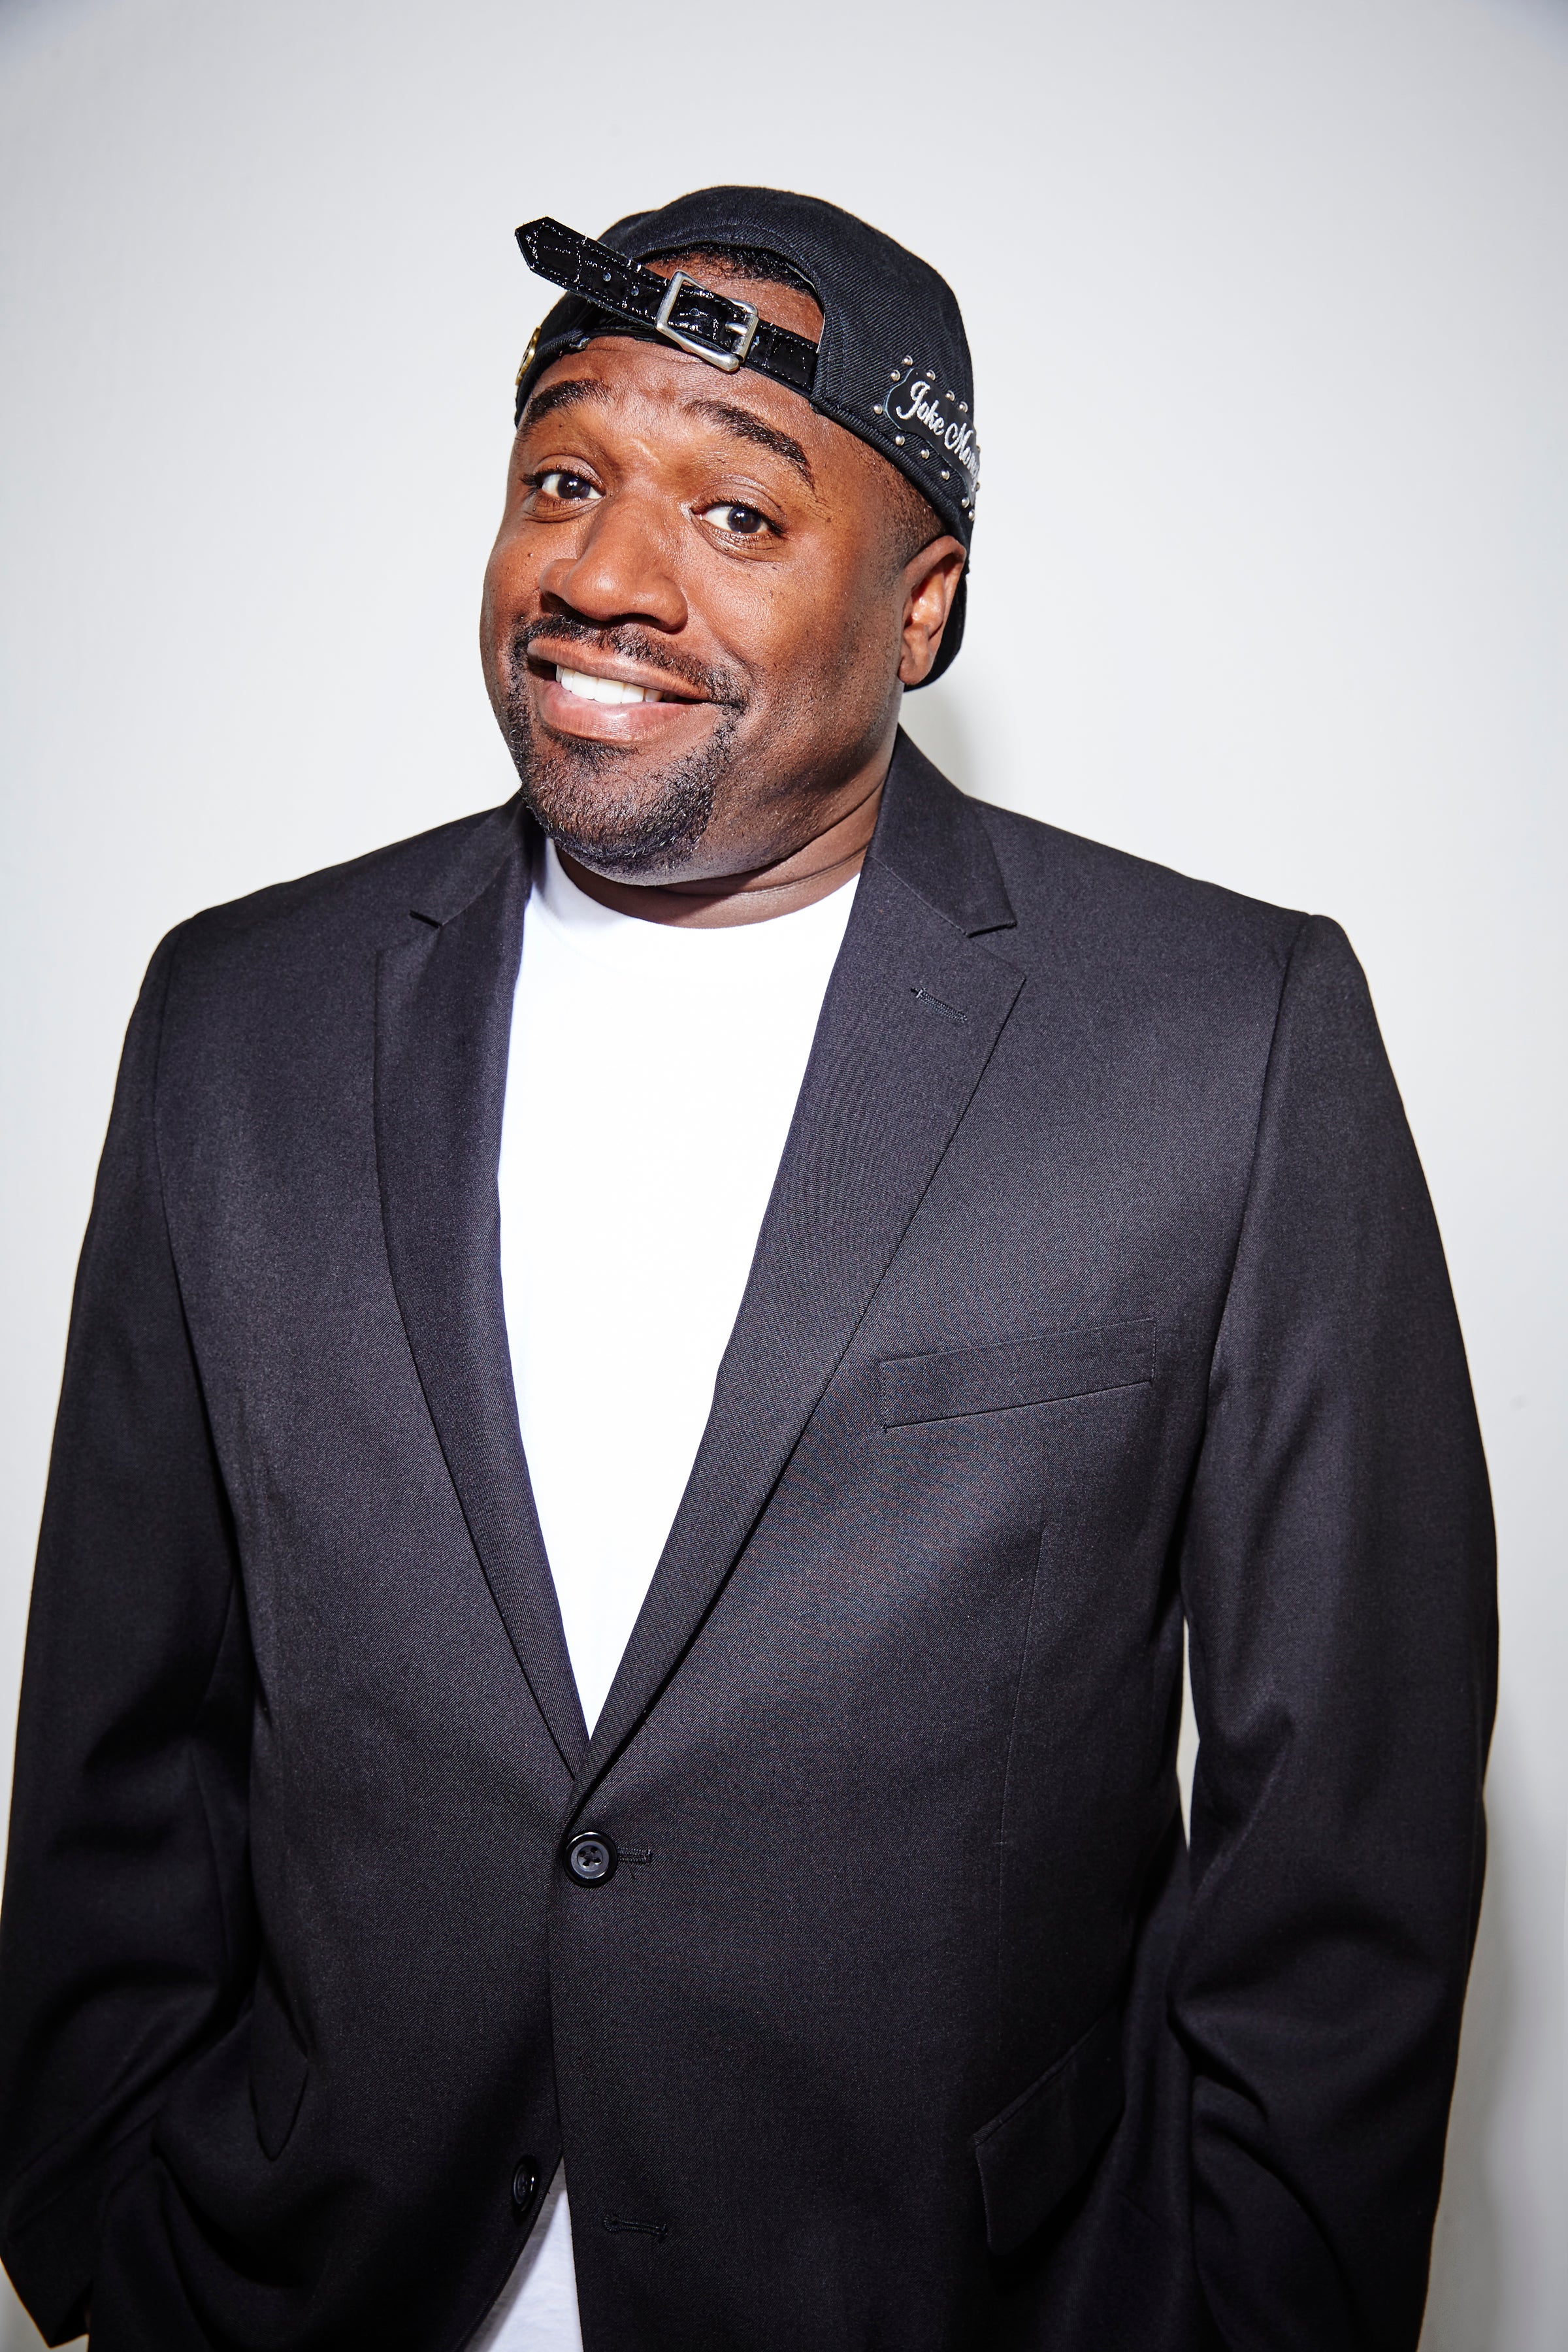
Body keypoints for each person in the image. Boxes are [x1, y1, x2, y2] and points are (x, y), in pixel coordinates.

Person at [0, 186, 1495, 2352]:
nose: (605, 573)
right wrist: (98, 2226)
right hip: (303, 2280)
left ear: (923, 604)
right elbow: (123, 1715)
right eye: (564, 480)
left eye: (738, 513)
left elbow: (1342, 1827)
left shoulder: (1225, 1045)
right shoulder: (242, 1017)